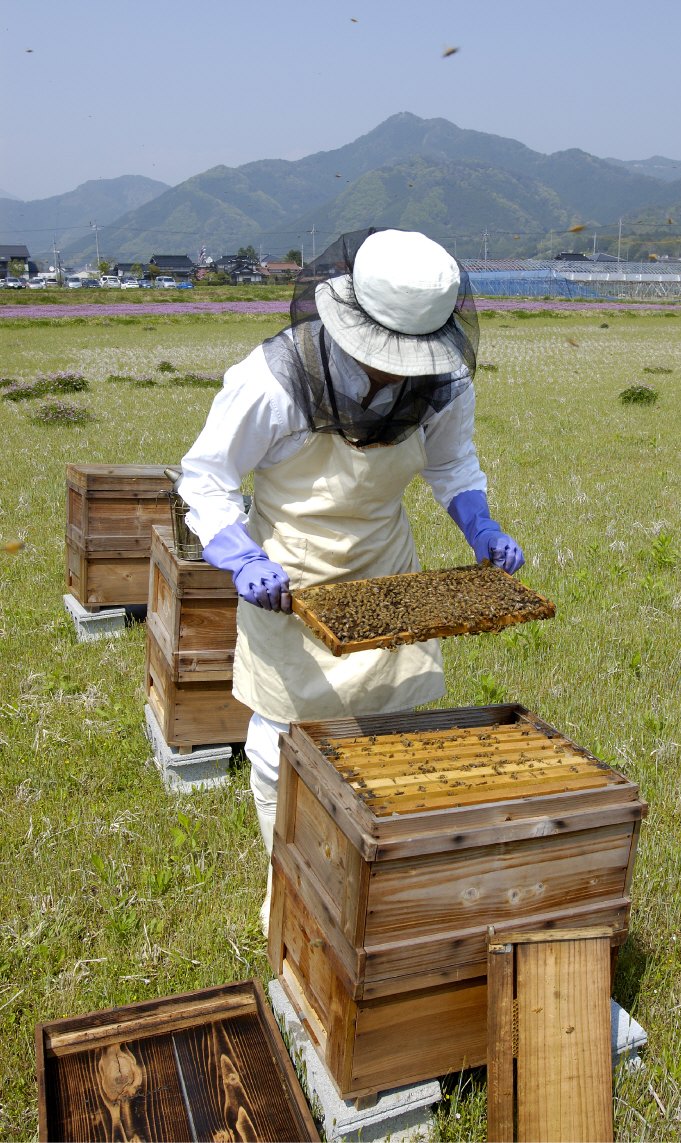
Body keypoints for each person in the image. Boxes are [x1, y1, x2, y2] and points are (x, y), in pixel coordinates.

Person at [179, 227, 524, 933]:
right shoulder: (274, 378)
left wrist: (481, 527)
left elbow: (452, 465)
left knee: (389, 746)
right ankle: (294, 900)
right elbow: (206, 475)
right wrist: (242, 556)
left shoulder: (442, 385)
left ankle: (378, 898)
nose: (399, 377)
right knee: (282, 746)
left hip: (385, 571)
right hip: (288, 578)